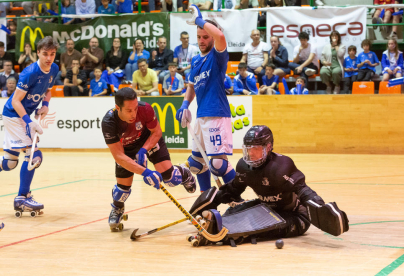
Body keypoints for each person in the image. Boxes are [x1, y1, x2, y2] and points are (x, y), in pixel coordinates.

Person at [190, 125, 348, 246]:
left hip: (296, 216)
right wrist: (213, 200)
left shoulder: (282, 166)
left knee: (260, 228)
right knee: (234, 211)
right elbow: (233, 189)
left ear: (268, 147)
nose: (251, 154)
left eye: (256, 149)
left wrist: (320, 208)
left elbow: (304, 191)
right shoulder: (244, 167)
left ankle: (220, 236)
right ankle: (212, 225)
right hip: (267, 209)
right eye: (248, 149)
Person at [101, 88, 196, 231]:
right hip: (126, 150)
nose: (133, 114)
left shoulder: (145, 109)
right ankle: (118, 208)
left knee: (171, 179)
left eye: (135, 108)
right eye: (128, 110)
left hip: (148, 141)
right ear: (117, 108)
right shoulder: (109, 122)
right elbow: (119, 157)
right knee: (122, 190)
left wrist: (144, 150)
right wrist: (146, 172)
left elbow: (157, 132)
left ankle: (183, 172)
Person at [0, 36, 59, 216]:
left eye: (52, 54)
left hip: (21, 116)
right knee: (34, 155)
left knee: (10, 162)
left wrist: (45, 105)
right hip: (14, 115)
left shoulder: (54, 69)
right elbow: (15, 101)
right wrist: (29, 123)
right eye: (45, 54)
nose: (49, 58)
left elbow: (48, 91)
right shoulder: (29, 73)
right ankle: (22, 198)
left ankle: (23, 197)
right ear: (38, 53)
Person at [175, 5, 236, 192]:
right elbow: (191, 86)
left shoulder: (217, 56)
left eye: (205, 37)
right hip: (201, 116)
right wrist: (185, 104)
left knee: (217, 164)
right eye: (199, 37)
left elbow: (221, 37)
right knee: (196, 163)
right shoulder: (195, 60)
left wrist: (200, 20)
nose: (201, 41)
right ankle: (206, 202)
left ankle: (238, 197)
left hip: (217, 114)